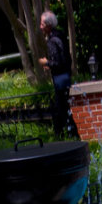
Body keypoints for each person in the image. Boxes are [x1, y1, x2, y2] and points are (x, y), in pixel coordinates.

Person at [38, 10, 72, 138]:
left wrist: (46, 63)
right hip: (66, 76)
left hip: (60, 79)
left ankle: (62, 135)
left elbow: (57, 62)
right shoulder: (61, 35)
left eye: (42, 24)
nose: (40, 27)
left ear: (48, 25)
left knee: (61, 108)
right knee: (65, 107)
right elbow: (65, 59)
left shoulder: (52, 40)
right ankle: (69, 133)